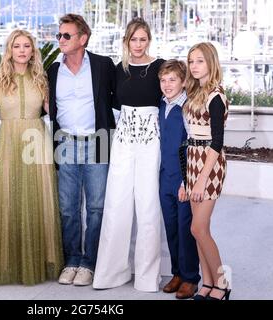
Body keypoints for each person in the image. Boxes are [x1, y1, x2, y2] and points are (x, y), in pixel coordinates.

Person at [0, 29, 64, 288]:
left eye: (27, 46)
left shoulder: (41, 78)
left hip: (37, 142)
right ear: (10, 50)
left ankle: (43, 263)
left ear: (32, 50)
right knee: (6, 201)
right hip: (9, 144)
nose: (22, 50)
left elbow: (51, 110)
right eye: (17, 46)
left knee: (39, 200)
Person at [93, 17, 165, 292]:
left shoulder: (159, 67)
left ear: (149, 40)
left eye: (143, 39)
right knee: (116, 203)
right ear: (126, 41)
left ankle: (147, 277)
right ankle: (112, 273)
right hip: (123, 137)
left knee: (147, 206)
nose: (138, 44)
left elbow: (170, 96)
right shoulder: (117, 69)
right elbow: (110, 102)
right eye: (133, 39)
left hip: (151, 138)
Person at [47, 13, 116, 286]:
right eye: (59, 35)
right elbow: (46, 104)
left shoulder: (102, 65)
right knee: (67, 207)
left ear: (83, 38)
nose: (60, 40)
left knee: (97, 207)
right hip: (65, 144)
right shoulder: (53, 70)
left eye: (66, 35)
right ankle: (72, 260)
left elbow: (120, 97)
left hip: (97, 140)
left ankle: (90, 263)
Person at [184, 42, 231, 300]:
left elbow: (217, 141)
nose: (194, 66)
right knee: (201, 228)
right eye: (191, 61)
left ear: (210, 62)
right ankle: (208, 282)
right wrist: (187, 178)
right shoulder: (196, 92)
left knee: (198, 228)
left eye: (199, 61)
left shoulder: (215, 96)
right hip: (192, 160)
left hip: (209, 165)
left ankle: (223, 282)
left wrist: (201, 180)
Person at [158, 59, 200, 299]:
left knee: (186, 229)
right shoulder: (162, 105)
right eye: (163, 80)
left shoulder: (187, 108)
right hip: (165, 176)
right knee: (171, 228)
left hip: (183, 178)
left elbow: (193, 147)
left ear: (184, 82)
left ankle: (190, 277)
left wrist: (187, 182)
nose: (167, 85)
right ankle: (177, 272)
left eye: (172, 80)